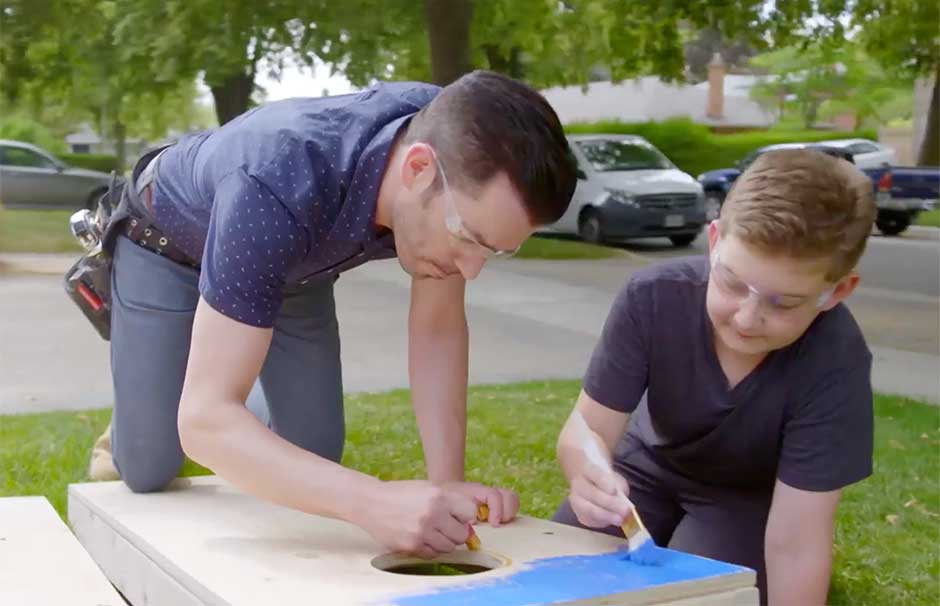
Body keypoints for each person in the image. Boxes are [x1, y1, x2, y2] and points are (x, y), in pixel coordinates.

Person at [88, 70, 577, 559]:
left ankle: (226, 367)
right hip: (168, 247)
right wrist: (373, 501)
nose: (470, 270)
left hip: (295, 264)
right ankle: (158, 400)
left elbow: (438, 327)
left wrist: (445, 485)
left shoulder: (455, 139)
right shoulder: (276, 178)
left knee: (312, 452)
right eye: (469, 238)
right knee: (153, 464)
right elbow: (203, 423)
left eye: (493, 251)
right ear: (418, 169)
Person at [552, 149, 876, 605]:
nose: (747, 317)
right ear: (714, 240)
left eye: (783, 303)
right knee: (563, 579)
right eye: (731, 282)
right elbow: (587, 428)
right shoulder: (652, 298)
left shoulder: (835, 360)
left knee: (699, 597)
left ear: (836, 292)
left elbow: (797, 540)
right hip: (640, 472)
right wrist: (587, 471)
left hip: (740, 502)